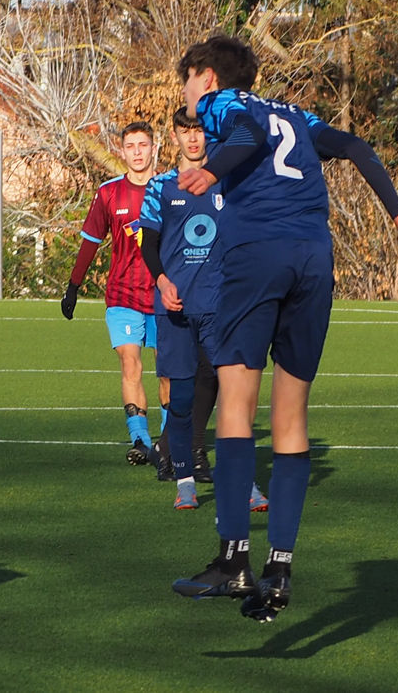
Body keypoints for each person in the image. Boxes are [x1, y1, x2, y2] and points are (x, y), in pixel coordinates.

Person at [169, 34, 398, 622]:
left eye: (188, 80)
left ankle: (233, 559)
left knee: (236, 401)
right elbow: (353, 145)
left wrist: (211, 171)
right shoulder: (295, 114)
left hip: (258, 254)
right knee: (292, 414)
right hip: (314, 259)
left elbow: (245, 135)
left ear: (207, 76)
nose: (188, 94)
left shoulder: (223, 103)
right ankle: (279, 568)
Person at [139, 106, 267, 512]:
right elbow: (149, 244)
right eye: (185, 131)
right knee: (179, 400)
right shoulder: (161, 186)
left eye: (199, 131)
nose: (193, 139)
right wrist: (163, 282)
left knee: (235, 393)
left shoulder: (231, 182)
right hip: (175, 308)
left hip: (221, 307)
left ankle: (245, 483)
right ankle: (185, 483)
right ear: (174, 136)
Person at [62, 121, 162, 465]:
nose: (137, 152)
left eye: (143, 145)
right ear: (122, 150)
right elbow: (91, 242)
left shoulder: (171, 189)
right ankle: (141, 440)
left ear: (154, 148)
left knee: (168, 371)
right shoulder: (109, 193)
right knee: (129, 363)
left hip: (165, 297)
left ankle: (169, 440)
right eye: (130, 146)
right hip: (123, 295)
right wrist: (73, 286)